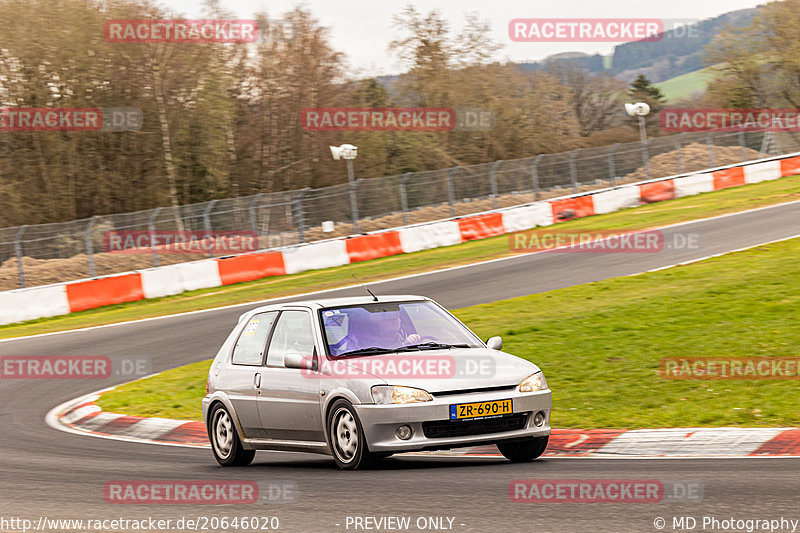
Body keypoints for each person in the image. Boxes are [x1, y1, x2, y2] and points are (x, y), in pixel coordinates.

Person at [330, 310, 420, 355]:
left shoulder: (406, 339)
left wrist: (413, 343)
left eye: (396, 316)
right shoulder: (362, 345)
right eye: (387, 318)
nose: (394, 320)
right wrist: (403, 346)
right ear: (376, 323)